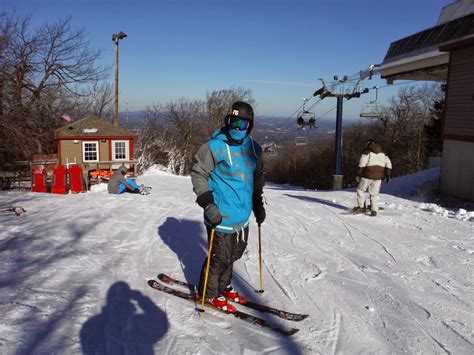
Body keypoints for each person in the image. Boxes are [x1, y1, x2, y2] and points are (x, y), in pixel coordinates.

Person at [190, 101, 265, 313]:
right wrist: (207, 204)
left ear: (249, 126)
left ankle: (222, 286)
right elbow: (198, 174)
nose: (237, 128)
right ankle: (207, 292)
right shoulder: (214, 148)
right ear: (227, 122)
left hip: (242, 217)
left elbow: (257, 176)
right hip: (219, 215)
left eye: (243, 124)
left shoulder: (254, 149)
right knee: (219, 258)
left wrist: (257, 203)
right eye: (233, 122)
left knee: (233, 255)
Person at [353, 139, 392, 216]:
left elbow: (362, 164)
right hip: (378, 177)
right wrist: (387, 175)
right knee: (374, 193)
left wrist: (358, 174)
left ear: (368, 145)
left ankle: (361, 207)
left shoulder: (367, 152)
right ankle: (374, 210)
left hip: (367, 175)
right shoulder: (383, 153)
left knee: (360, 190)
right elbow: (389, 165)